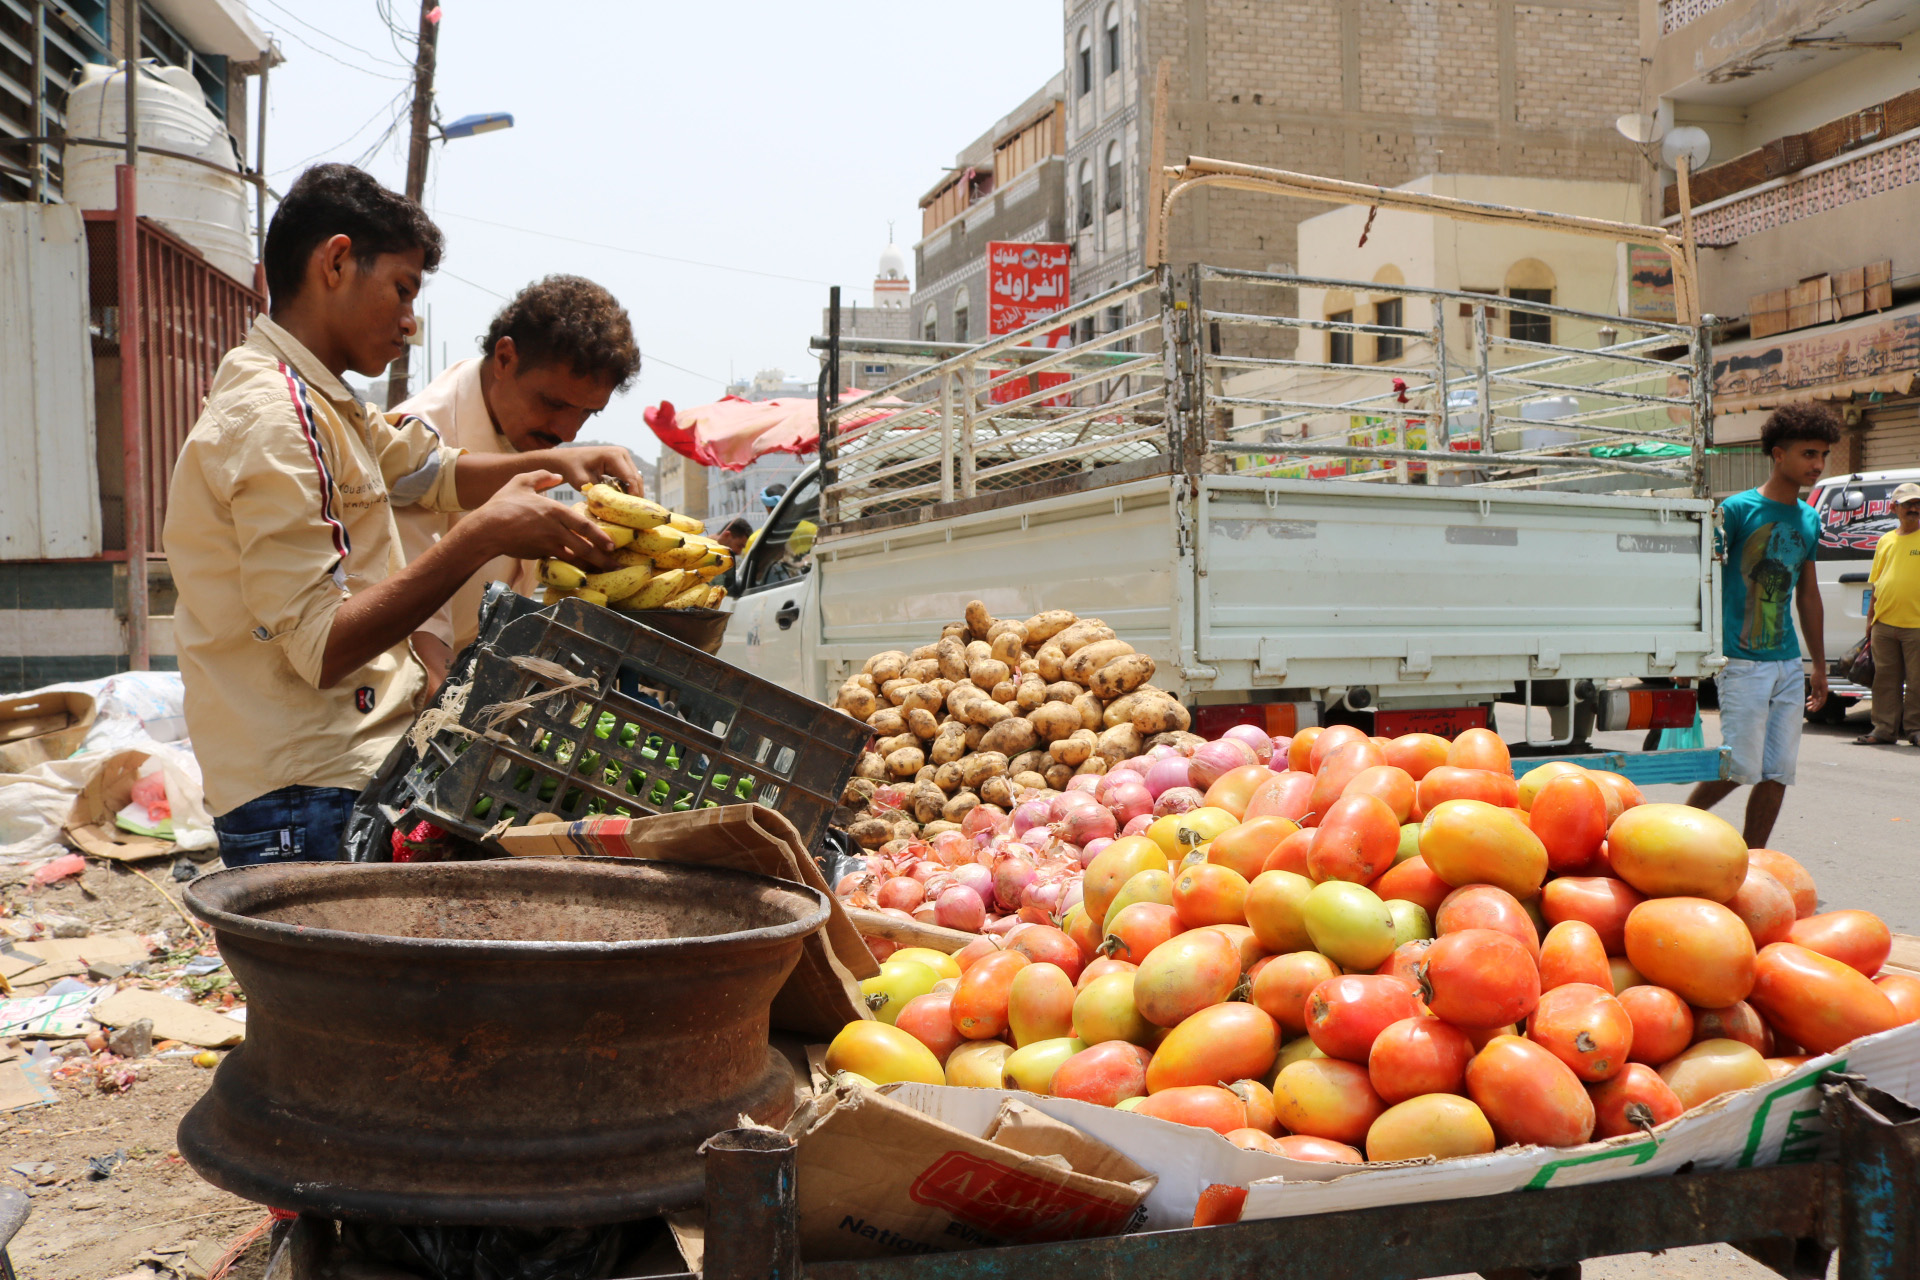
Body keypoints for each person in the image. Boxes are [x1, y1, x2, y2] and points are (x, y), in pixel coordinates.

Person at [165, 164, 639, 867]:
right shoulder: (275, 419)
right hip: (308, 791)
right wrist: (486, 535)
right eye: (403, 290)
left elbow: (429, 471)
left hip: (346, 774)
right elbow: (321, 646)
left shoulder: (329, 404)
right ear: (335, 262)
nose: (410, 322)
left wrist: (566, 462)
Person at [395, 276, 642, 688]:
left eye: (587, 414)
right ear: (505, 359)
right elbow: (419, 641)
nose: (568, 431)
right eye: (553, 403)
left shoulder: (526, 439)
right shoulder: (416, 441)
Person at [1685, 403, 1835, 846]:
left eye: (1823, 455)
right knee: (1741, 766)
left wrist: (1819, 666)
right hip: (1741, 661)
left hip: (1787, 663)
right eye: (1809, 454)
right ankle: (1668, 831)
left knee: (1778, 771)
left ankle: (1754, 860)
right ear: (1778, 454)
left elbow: (1808, 593)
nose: (1818, 465)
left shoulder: (1809, 518)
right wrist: (1696, 650)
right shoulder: (1735, 511)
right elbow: (1704, 583)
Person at [1859, 481, 1920, 746]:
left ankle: (1916, 730)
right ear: (1894, 507)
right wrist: (1870, 620)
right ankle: (1883, 730)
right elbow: (1876, 582)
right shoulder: (1885, 540)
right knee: (1884, 681)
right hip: (1884, 623)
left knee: (1918, 682)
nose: (1915, 509)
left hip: (1916, 624)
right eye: (1909, 504)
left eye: (1918, 504)